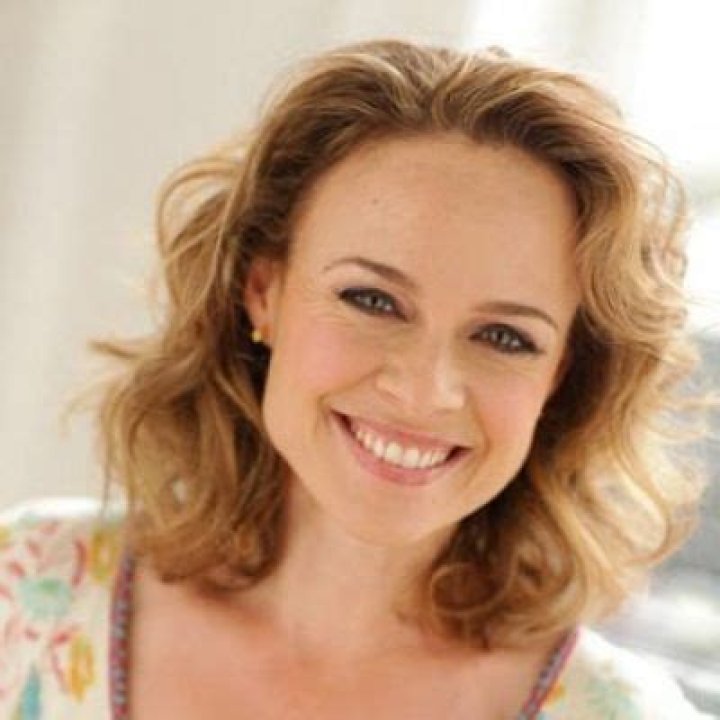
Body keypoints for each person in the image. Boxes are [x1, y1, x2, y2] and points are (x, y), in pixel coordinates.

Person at [0, 39, 712, 719]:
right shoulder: (26, 587)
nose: (425, 390)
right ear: (264, 292)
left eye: (505, 337)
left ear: (561, 374)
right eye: (372, 300)